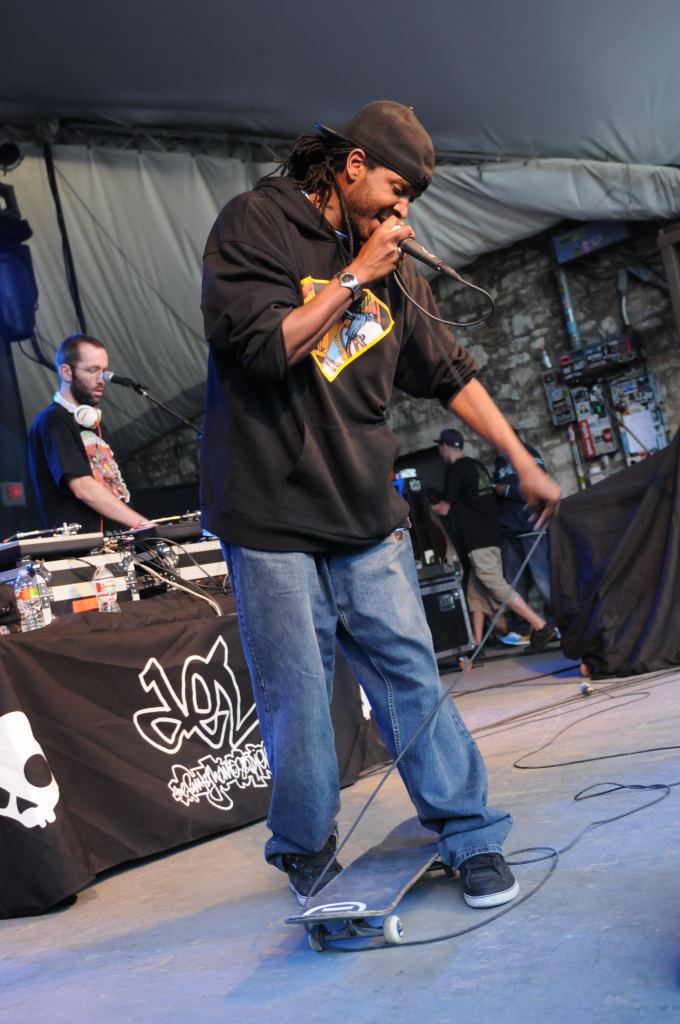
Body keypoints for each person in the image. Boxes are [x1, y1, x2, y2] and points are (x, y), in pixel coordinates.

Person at [200, 100, 560, 910]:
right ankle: (305, 847)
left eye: (412, 200)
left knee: (409, 673)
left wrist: (519, 458)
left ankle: (468, 830)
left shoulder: (395, 270)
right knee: (298, 694)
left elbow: (451, 374)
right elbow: (263, 349)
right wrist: (355, 275)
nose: (403, 211)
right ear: (353, 165)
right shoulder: (256, 222)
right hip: (268, 510)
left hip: (363, 510)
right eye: (397, 190)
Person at [431, 428, 558, 652]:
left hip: (482, 540)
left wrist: (419, 506)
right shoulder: (478, 466)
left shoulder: (456, 470)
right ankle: (477, 643)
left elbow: (443, 509)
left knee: (498, 584)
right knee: (476, 591)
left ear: (444, 447)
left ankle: (541, 625)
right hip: (495, 536)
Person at [28, 333, 148, 533]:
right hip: (85, 547)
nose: (102, 380)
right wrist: (144, 525)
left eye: (104, 372)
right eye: (92, 370)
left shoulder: (96, 424)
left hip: (119, 540)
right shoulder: (53, 421)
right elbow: (83, 488)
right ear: (66, 372)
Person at [493, 417, 553, 633]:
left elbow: (539, 486)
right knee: (514, 583)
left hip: (531, 527)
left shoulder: (528, 453)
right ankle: (521, 630)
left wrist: (507, 490)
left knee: (544, 580)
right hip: (510, 530)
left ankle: (557, 624)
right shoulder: (500, 461)